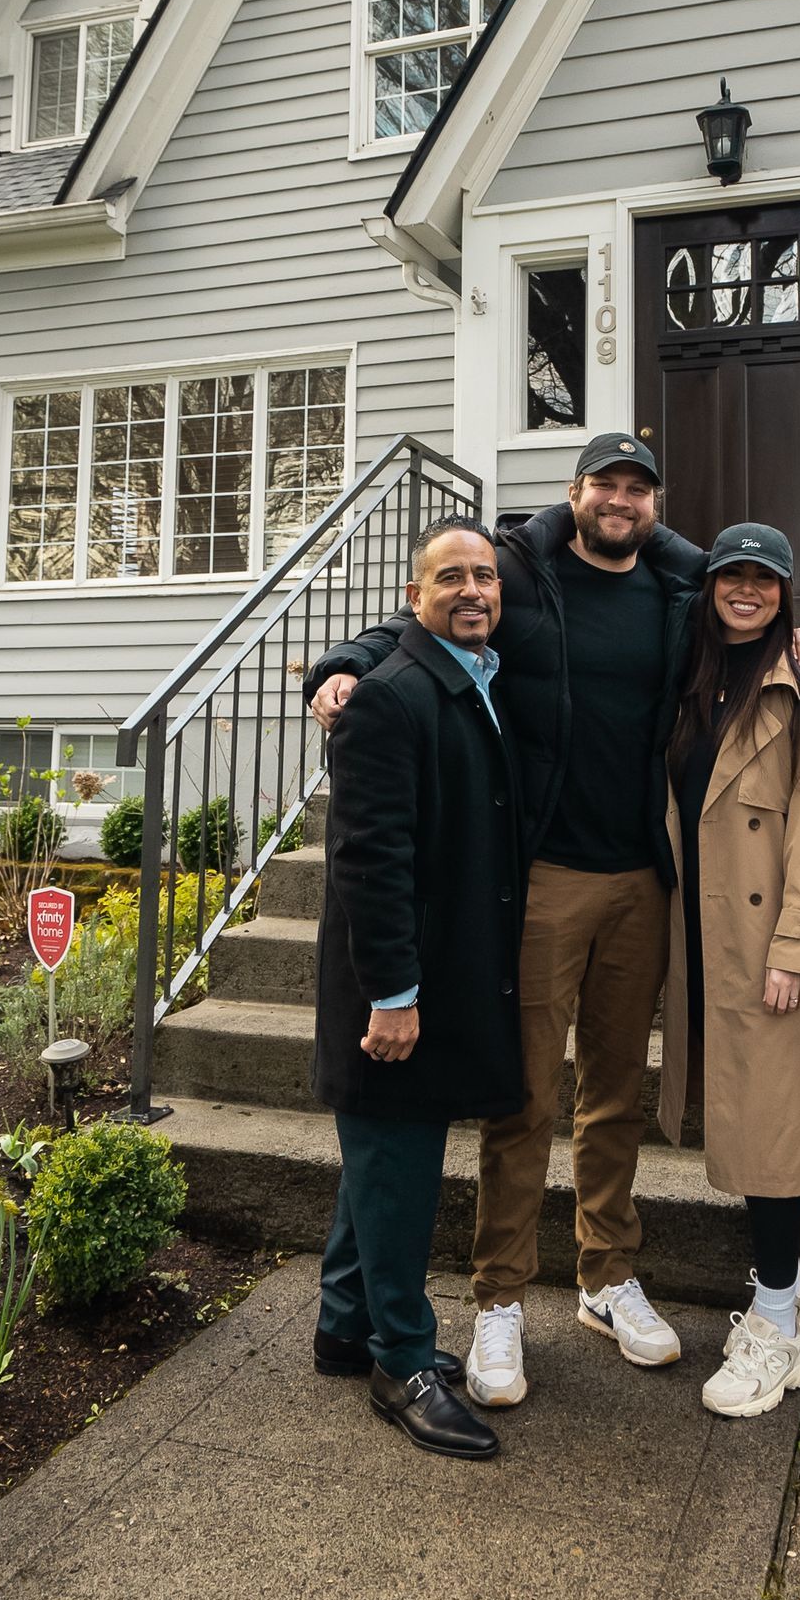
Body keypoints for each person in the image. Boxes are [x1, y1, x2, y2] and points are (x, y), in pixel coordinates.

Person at [309, 435, 800, 1410]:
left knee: (614, 1091)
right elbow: (421, 618)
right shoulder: (518, 569)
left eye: (638, 486)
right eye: (606, 484)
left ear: (654, 501)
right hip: (543, 876)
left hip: (643, 876)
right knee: (524, 1094)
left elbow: (748, 621)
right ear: (576, 492)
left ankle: (606, 1275)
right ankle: (501, 1296)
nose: (621, 500)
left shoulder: (680, 593)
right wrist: (341, 666)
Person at [310, 519, 524, 1459]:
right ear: (414, 596)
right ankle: (403, 1359)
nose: (472, 589)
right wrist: (392, 993)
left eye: (484, 574)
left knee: (381, 1158)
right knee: (398, 1162)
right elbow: (369, 859)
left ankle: (342, 1322)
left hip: (439, 964)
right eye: (450, 577)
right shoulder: (391, 699)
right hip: (394, 979)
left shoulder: (472, 677)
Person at [657, 524, 800, 1419]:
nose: (746, 590)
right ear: (708, 584)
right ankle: (784, 1296)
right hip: (704, 932)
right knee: (749, 1119)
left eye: (765, 579)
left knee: (772, 1131)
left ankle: (780, 1320)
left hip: (775, 941)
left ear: (789, 592)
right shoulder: (689, 676)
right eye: (730, 575)